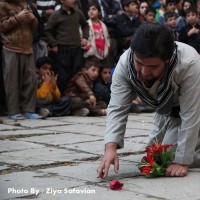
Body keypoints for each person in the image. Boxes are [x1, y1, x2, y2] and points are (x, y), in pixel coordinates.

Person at [97, 23, 200, 179]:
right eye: (139, 63)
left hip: (195, 107)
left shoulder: (189, 63)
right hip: (168, 111)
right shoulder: (125, 64)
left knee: (171, 157)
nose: (144, 72)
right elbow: (117, 107)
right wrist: (110, 147)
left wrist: (182, 161)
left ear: (167, 60)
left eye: (152, 66)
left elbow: (191, 114)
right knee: (155, 154)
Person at [0, 0, 42, 120]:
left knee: (31, 80)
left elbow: (34, 27)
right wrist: (18, 18)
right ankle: (13, 112)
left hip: (27, 47)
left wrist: (33, 18)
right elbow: (2, 27)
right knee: (12, 81)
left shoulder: (24, 4)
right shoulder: (3, 4)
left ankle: (29, 110)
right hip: (11, 46)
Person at [45, 0, 89, 95]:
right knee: (63, 77)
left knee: (76, 75)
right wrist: (53, 44)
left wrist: (85, 37)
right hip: (62, 50)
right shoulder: (56, 15)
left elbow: (85, 25)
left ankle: (74, 100)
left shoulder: (78, 12)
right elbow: (47, 31)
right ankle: (61, 101)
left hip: (76, 49)